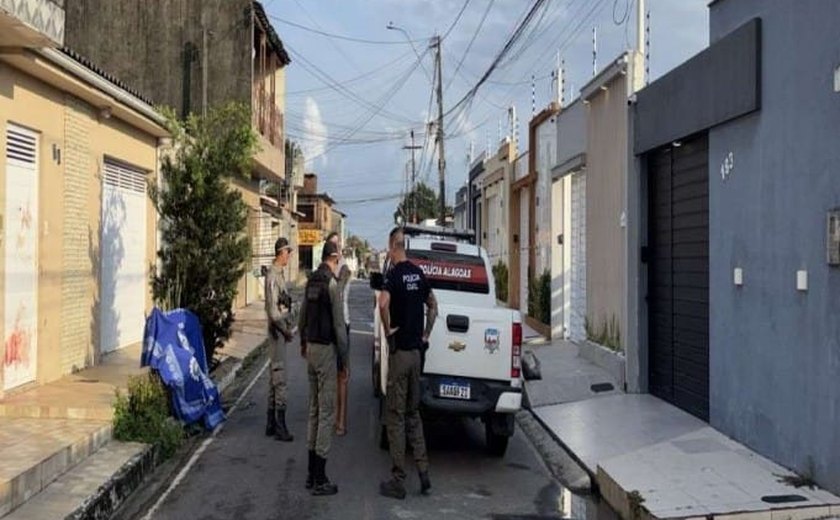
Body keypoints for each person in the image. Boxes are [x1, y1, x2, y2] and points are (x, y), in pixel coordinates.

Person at [378, 227, 438, 500]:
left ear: (393, 247)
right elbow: (433, 305)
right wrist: (426, 334)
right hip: (417, 355)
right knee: (414, 414)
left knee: (396, 416)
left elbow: (382, 303)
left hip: (401, 354)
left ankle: (398, 479)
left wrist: (388, 328)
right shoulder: (418, 273)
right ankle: (424, 473)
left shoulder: (394, 275)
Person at [298, 240, 348, 496]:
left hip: (312, 350)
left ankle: (309, 474)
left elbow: (302, 316)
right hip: (327, 350)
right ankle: (320, 477)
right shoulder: (331, 284)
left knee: (314, 410)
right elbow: (339, 326)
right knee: (327, 412)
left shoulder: (311, 281)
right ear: (335, 257)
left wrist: (302, 342)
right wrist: (344, 359)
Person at [265, 237, 295, 442]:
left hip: (279, 330)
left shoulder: (279, 275)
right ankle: (280, 426)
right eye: (288, 252)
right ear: (281, 252)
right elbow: (273, 312)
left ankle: (271, 423)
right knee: (280, 378)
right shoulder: (273, 277)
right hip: (277, 332)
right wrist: (286, 331)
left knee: (274, 377)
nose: (289, 256)